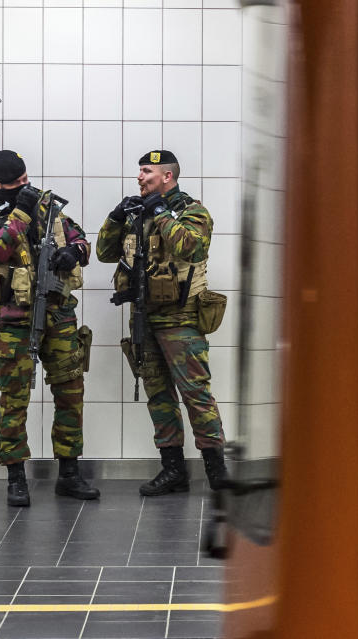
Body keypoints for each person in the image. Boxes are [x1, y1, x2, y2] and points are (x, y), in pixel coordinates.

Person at [0, 149, 99, 506]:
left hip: (58, 314)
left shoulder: (47, 205)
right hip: (13, 320)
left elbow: (81, 238)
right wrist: (20, 213)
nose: (24, 188)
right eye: (15, 185)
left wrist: (74, 252)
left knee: (70, 392)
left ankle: (70, 473)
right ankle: (16, 478)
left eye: (25, 181)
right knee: (14, 398)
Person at [96, 149, 229, 495]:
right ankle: (173, 470)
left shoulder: (191, 211)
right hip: (143, 317)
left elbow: (192, 248)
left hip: (181, 319)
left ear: (167, 176)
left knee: (196, 394)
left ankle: (218, 473)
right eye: (140, 171)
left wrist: (161, 213)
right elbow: (104, 253)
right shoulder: (136, 215)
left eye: (147, 171)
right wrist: (115, 217)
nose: (139, 177)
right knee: (158, 395)